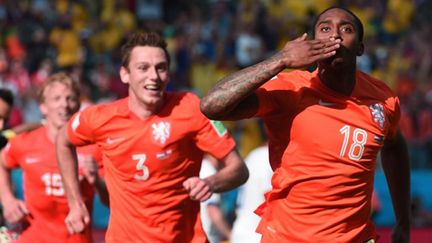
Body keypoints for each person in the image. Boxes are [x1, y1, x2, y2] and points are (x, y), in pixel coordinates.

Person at [201, 7, 410, 243]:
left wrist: (403, 221)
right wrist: (280, 60)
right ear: (312, 43)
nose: (335, 35)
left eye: (347, 29)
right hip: (290, 238)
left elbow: (395, 147)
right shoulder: (291, 89)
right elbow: (211, 105)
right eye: (325, 28)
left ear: (360, 47)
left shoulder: (383, 99)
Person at [56, 32, 248, 243]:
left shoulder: (191, 108)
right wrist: (75, 203)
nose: (154, 76)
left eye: (161, 67)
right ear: (124, 74)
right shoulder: (101, 118)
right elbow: (62, 140)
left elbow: (238, 169)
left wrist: (210, 183)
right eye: (143, 68)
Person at [0, 72, 107, 243]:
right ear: (43, 106)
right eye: (56, 99)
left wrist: (97, 182)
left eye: (70, 98)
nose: (64, 105)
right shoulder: (26, 142)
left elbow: (110, 202)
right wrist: (7, 200)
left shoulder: (93, 148)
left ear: (78, 104)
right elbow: (2, 163)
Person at [231, 143, 273, 243]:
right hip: (254, 235)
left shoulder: (254, 155)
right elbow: (269, 197)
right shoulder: (266, 157)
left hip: (241, 231)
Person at [199, 155, 232, 243]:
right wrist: (230, 235)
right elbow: (212, 210)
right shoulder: (210, 172)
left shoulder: (200, 167)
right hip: (207, 236)